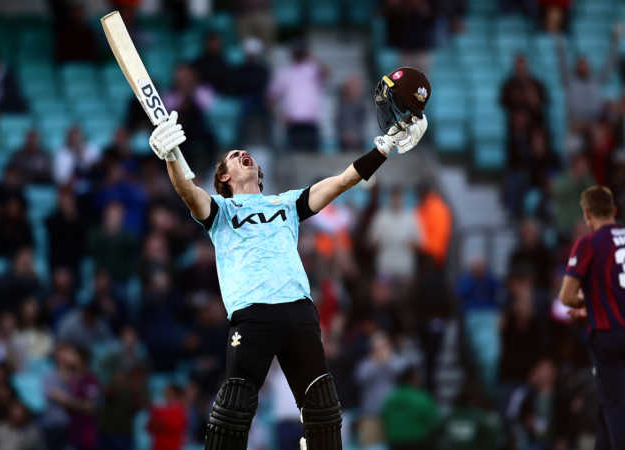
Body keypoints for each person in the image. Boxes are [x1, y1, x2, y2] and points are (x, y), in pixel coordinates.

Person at [148, 66, 429, 450]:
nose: (241, 154)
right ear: (224, 177)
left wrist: (382, 149)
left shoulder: (287, 203)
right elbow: (186, 190)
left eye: (245, 153)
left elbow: (342, 181)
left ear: (259, 172)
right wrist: (169, 158)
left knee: (323, 412)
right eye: (233, 156)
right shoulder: (219, 212)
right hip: (252, 313)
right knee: (233, 410)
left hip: (298, 311)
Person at [558, 186, 625, 450]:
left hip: (609, 338)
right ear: (614, 210)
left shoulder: (589, 244)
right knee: (609, 403)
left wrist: (586, 303)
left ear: (587, 214)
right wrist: (597, 305)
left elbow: (566, 297)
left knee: (615, 409)